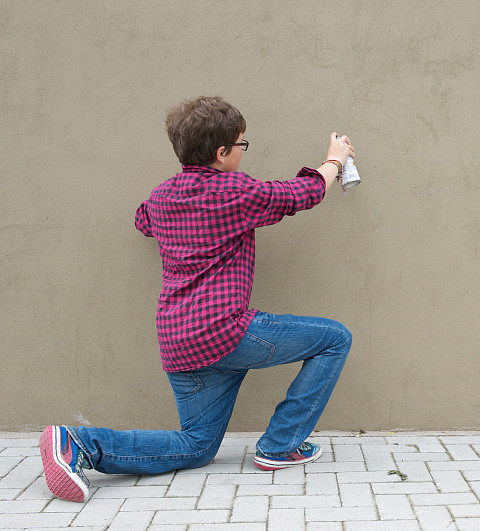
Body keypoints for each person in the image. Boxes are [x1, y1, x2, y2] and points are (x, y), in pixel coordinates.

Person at [38, 96, 356, 502]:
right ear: (221, 153)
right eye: (242, 145)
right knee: (335, 339)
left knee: (196, 446)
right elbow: (300, 194)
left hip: (178, 340)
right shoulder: (235, 192)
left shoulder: (161, 198)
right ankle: (280, 446)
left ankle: (80, 444)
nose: (243, 152)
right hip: (224, 331)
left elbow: (143, 220)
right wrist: (334, 159)